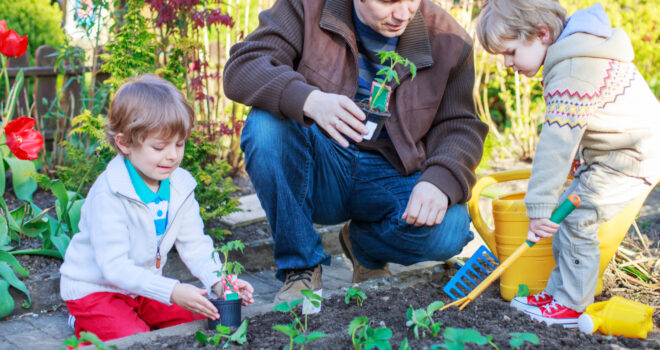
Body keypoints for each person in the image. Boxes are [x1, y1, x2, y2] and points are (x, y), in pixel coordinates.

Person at [223, 0, 488, 303]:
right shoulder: (306, 7)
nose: (402, 13)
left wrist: (439, 180)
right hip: (322, 163)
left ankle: (364, 248)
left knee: (450, 229)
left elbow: (461, 124)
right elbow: (243, 67)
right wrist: (308, 99)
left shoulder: (448, 38)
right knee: (264, 125)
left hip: (392, 172)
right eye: (387, 2)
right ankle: (301, 266)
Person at [477, 0, 660, 327]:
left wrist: (538, 207)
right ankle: (558, 294)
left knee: (576, 222)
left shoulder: (572, 69)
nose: (506, 64)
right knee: (571, 216)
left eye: (510, 52)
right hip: (618, 153)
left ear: (541, 33)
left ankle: (571, 307)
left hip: (630, 158)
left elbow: (555, 144)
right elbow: (590, 121)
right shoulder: (578, 51)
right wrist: (581, 159)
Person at [59, 75, 255, 341]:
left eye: (179, 144)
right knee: (135, 339)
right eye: (159, 146)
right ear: (124, 143)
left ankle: (131, 315)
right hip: (97, 289)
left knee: (204, 317)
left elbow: (195, 245)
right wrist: (173, 291)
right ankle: (82, 320)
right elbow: (114, 268)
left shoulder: (180, 187)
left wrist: (220, 283)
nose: (172, 155)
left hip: (142, 289)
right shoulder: (110, 193)